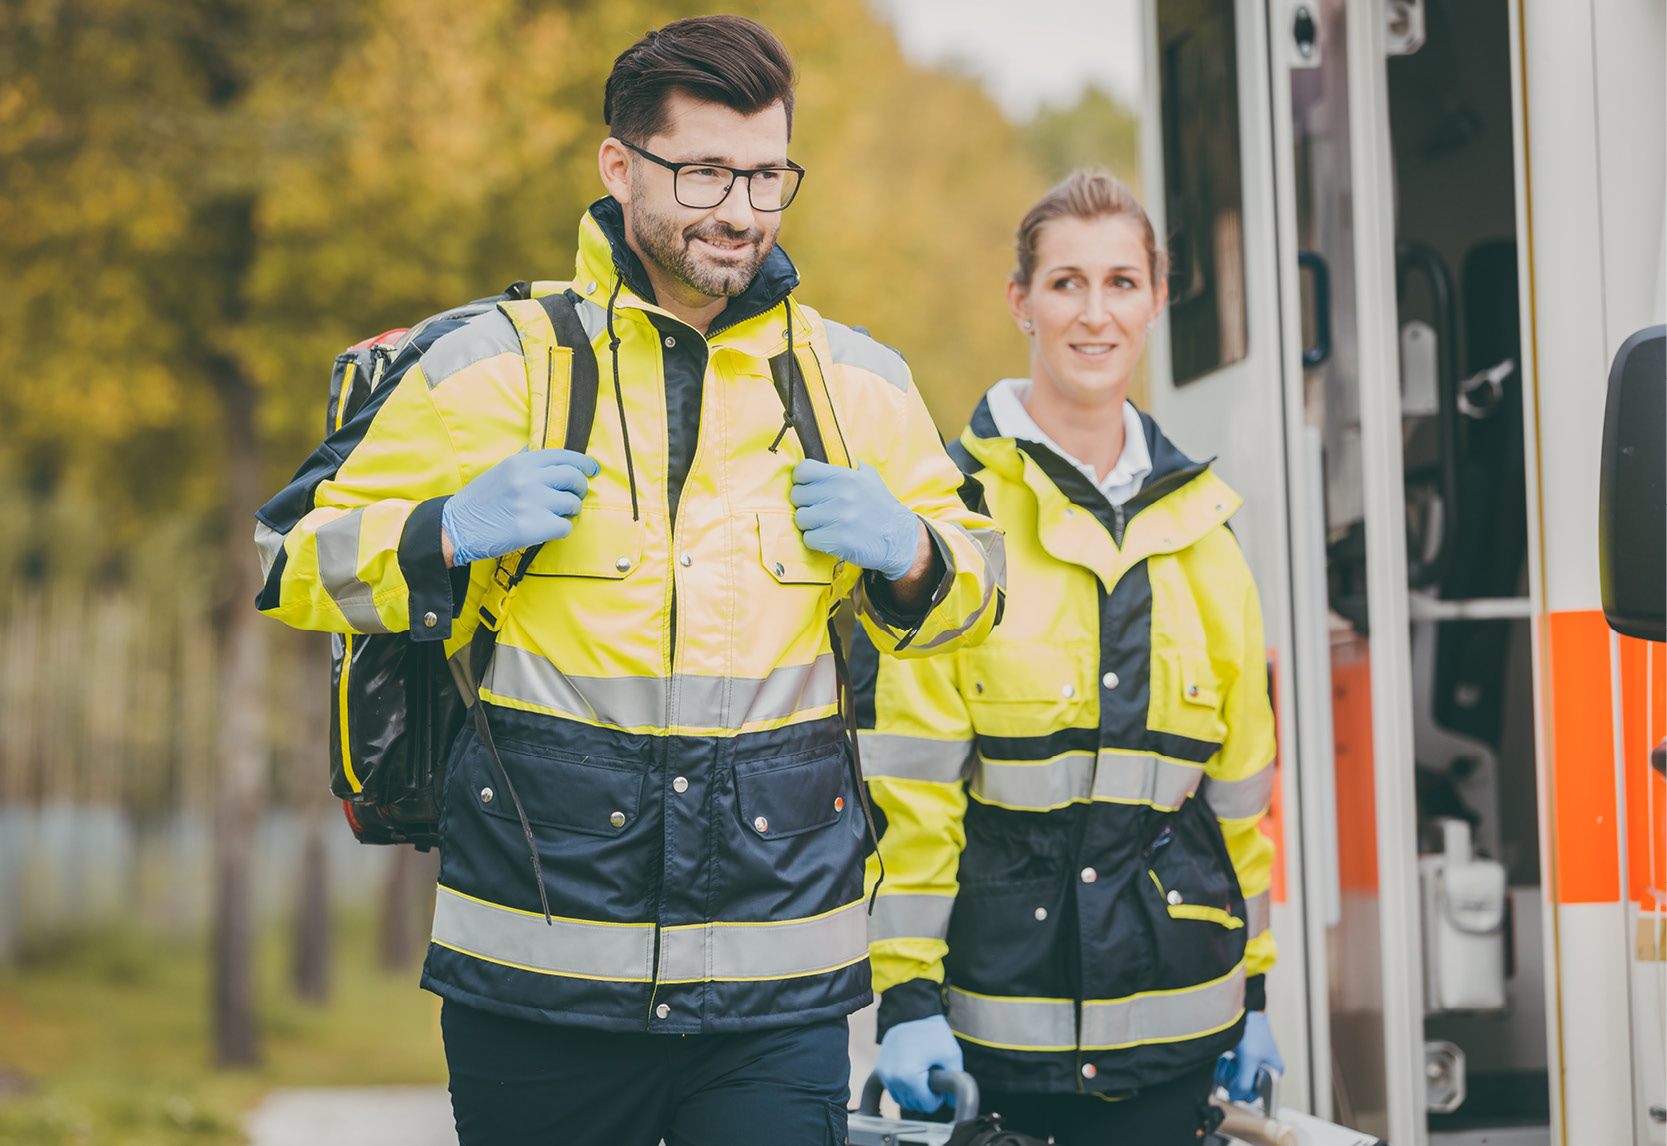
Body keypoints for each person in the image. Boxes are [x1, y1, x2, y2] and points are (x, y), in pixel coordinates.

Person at [254, 17, 1003, 1145]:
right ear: (620, 165)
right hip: (534, 987)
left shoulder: (863, 387)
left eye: (766, 174)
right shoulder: (486, 368)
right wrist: (441, 534)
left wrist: (912, 555)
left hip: (776, 998)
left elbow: (980, 595)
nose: (742, 209)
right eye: (704, 170)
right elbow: (286, 557)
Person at [855, 168, 1281, 1144]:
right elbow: (910, 799)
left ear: (1155, 300)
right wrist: (906, 1002)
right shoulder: (949, 522)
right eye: (1065, 283)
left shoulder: (1208, 537)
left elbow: (1238, 804)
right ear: (1021, 303)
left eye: (1122, 283)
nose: (1095, 315)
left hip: (1181, 1041)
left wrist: (1253, 989)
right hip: (992, 1054)